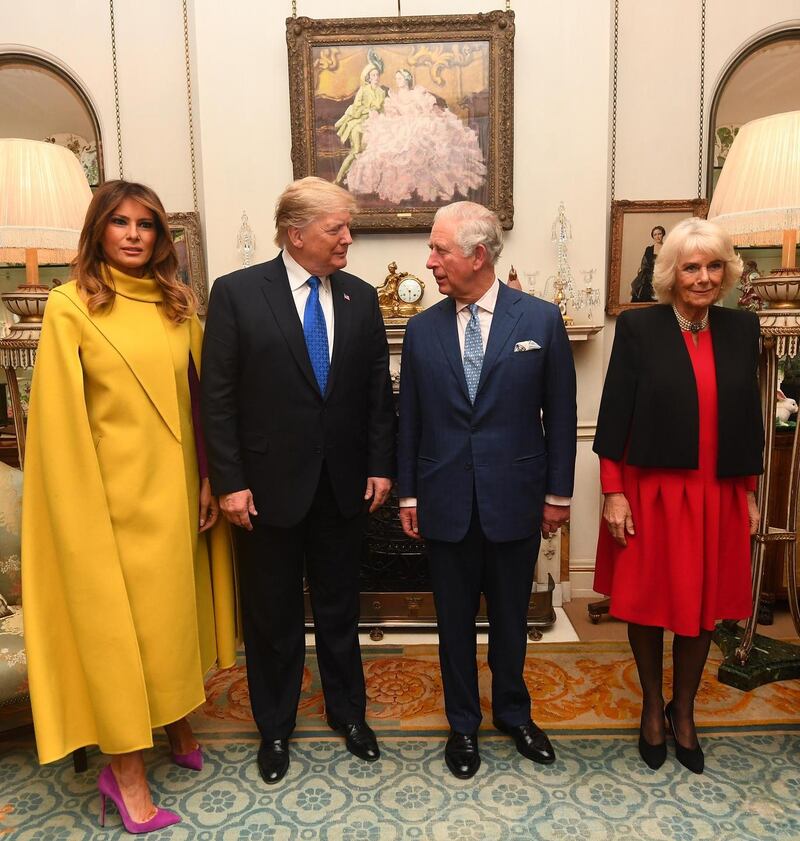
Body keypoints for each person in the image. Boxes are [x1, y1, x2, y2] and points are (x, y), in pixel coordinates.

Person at [21, 180, 236, 833]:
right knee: (120, 633)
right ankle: (127, 774)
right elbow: (56, 426)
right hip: (107, 502)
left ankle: (175, 719)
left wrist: (207, 477)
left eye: (147, 223)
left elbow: (202, 402)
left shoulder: (177, 306)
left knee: (171, 618)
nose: (135, 233)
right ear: (98, 231)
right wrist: (78, 514)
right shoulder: (70, 307)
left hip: (172, 496)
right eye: (120, 222)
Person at [201, 176, 395, 785]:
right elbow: (218, 398)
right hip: (263, 490)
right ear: (297, 233)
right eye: (337, 227)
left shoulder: (361, 299)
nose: (348, 238)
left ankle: (349, 715)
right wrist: (229, 481)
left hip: (342, 487)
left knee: (340, 610)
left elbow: (376, 398)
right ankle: (276, 727)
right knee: (272, 616)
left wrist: (380, 465)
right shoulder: (236, 294)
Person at [397, 201, 577, 779]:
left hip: (516, 499)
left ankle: (514, 714)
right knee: (452, 624)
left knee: (510, 619)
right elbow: (411, 421)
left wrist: (558, 495)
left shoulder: (541, 320)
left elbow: (562, 415)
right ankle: (462, 725)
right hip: (444, 499)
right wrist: (408, 495)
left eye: (439, 250)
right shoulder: (422, 328)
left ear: (478, 255)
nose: (429, 262)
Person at [593, 217, 763, 774]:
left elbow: (747, 420)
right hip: (654, 492)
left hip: (718, 491)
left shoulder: (744, 329)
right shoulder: (641, 331)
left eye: (714, 266)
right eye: (691, 266)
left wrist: (750, 493)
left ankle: (683, 710)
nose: (704, 277)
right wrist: (614, 494)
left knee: (704, 605)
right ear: (671, 273)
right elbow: (615, 417)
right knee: (649, 602)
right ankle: (650, 704)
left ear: (728, 271)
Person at [346, 68, 486, 204]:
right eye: (396, 79)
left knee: (423, 136)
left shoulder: (416, 93)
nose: (397, 81)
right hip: (400, 125)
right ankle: (397, 183)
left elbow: (426, 109)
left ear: (407, 79)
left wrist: (423, 117)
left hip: (417, 122)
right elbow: (391, 114)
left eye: (400, 78)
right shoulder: (393, 97)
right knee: (388, 146)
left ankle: (425, 181)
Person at [334, 59, 386, 186]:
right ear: (368, 77)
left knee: (375, 150)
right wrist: (368, 111)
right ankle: (338, 179)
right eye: (373, 75)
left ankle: (366, 181)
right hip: (358, 121)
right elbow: (356, 106)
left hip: (374, 123)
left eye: (377, 75)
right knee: (355, 151)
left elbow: (382, 110)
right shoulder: (363, 90)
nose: (376, 77)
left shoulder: (381, 92)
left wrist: (380, 116)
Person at [630, 225, 665, 302]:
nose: (657, 236)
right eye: (655, 235)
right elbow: (644, 264)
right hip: (650, 274)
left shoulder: (667, 248)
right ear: (653, 236)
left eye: (659, 234)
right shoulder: (649, 249)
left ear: (663, 234)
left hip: (664, 273)